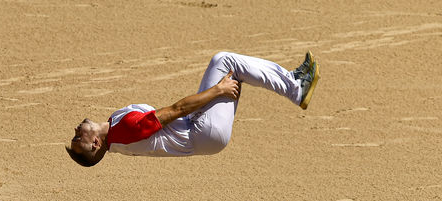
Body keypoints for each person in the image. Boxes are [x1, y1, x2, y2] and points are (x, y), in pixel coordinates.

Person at [66, 51, 319, 167]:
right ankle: (295, 87)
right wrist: (217, 91)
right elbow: (177, 109)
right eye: (79, 138)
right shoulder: (125, 131)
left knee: (230, 67)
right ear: (96, 144)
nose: (77, 130)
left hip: (200, 132)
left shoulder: (116, 125)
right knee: (224, 61)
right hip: (203, 131)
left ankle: (292, 81)